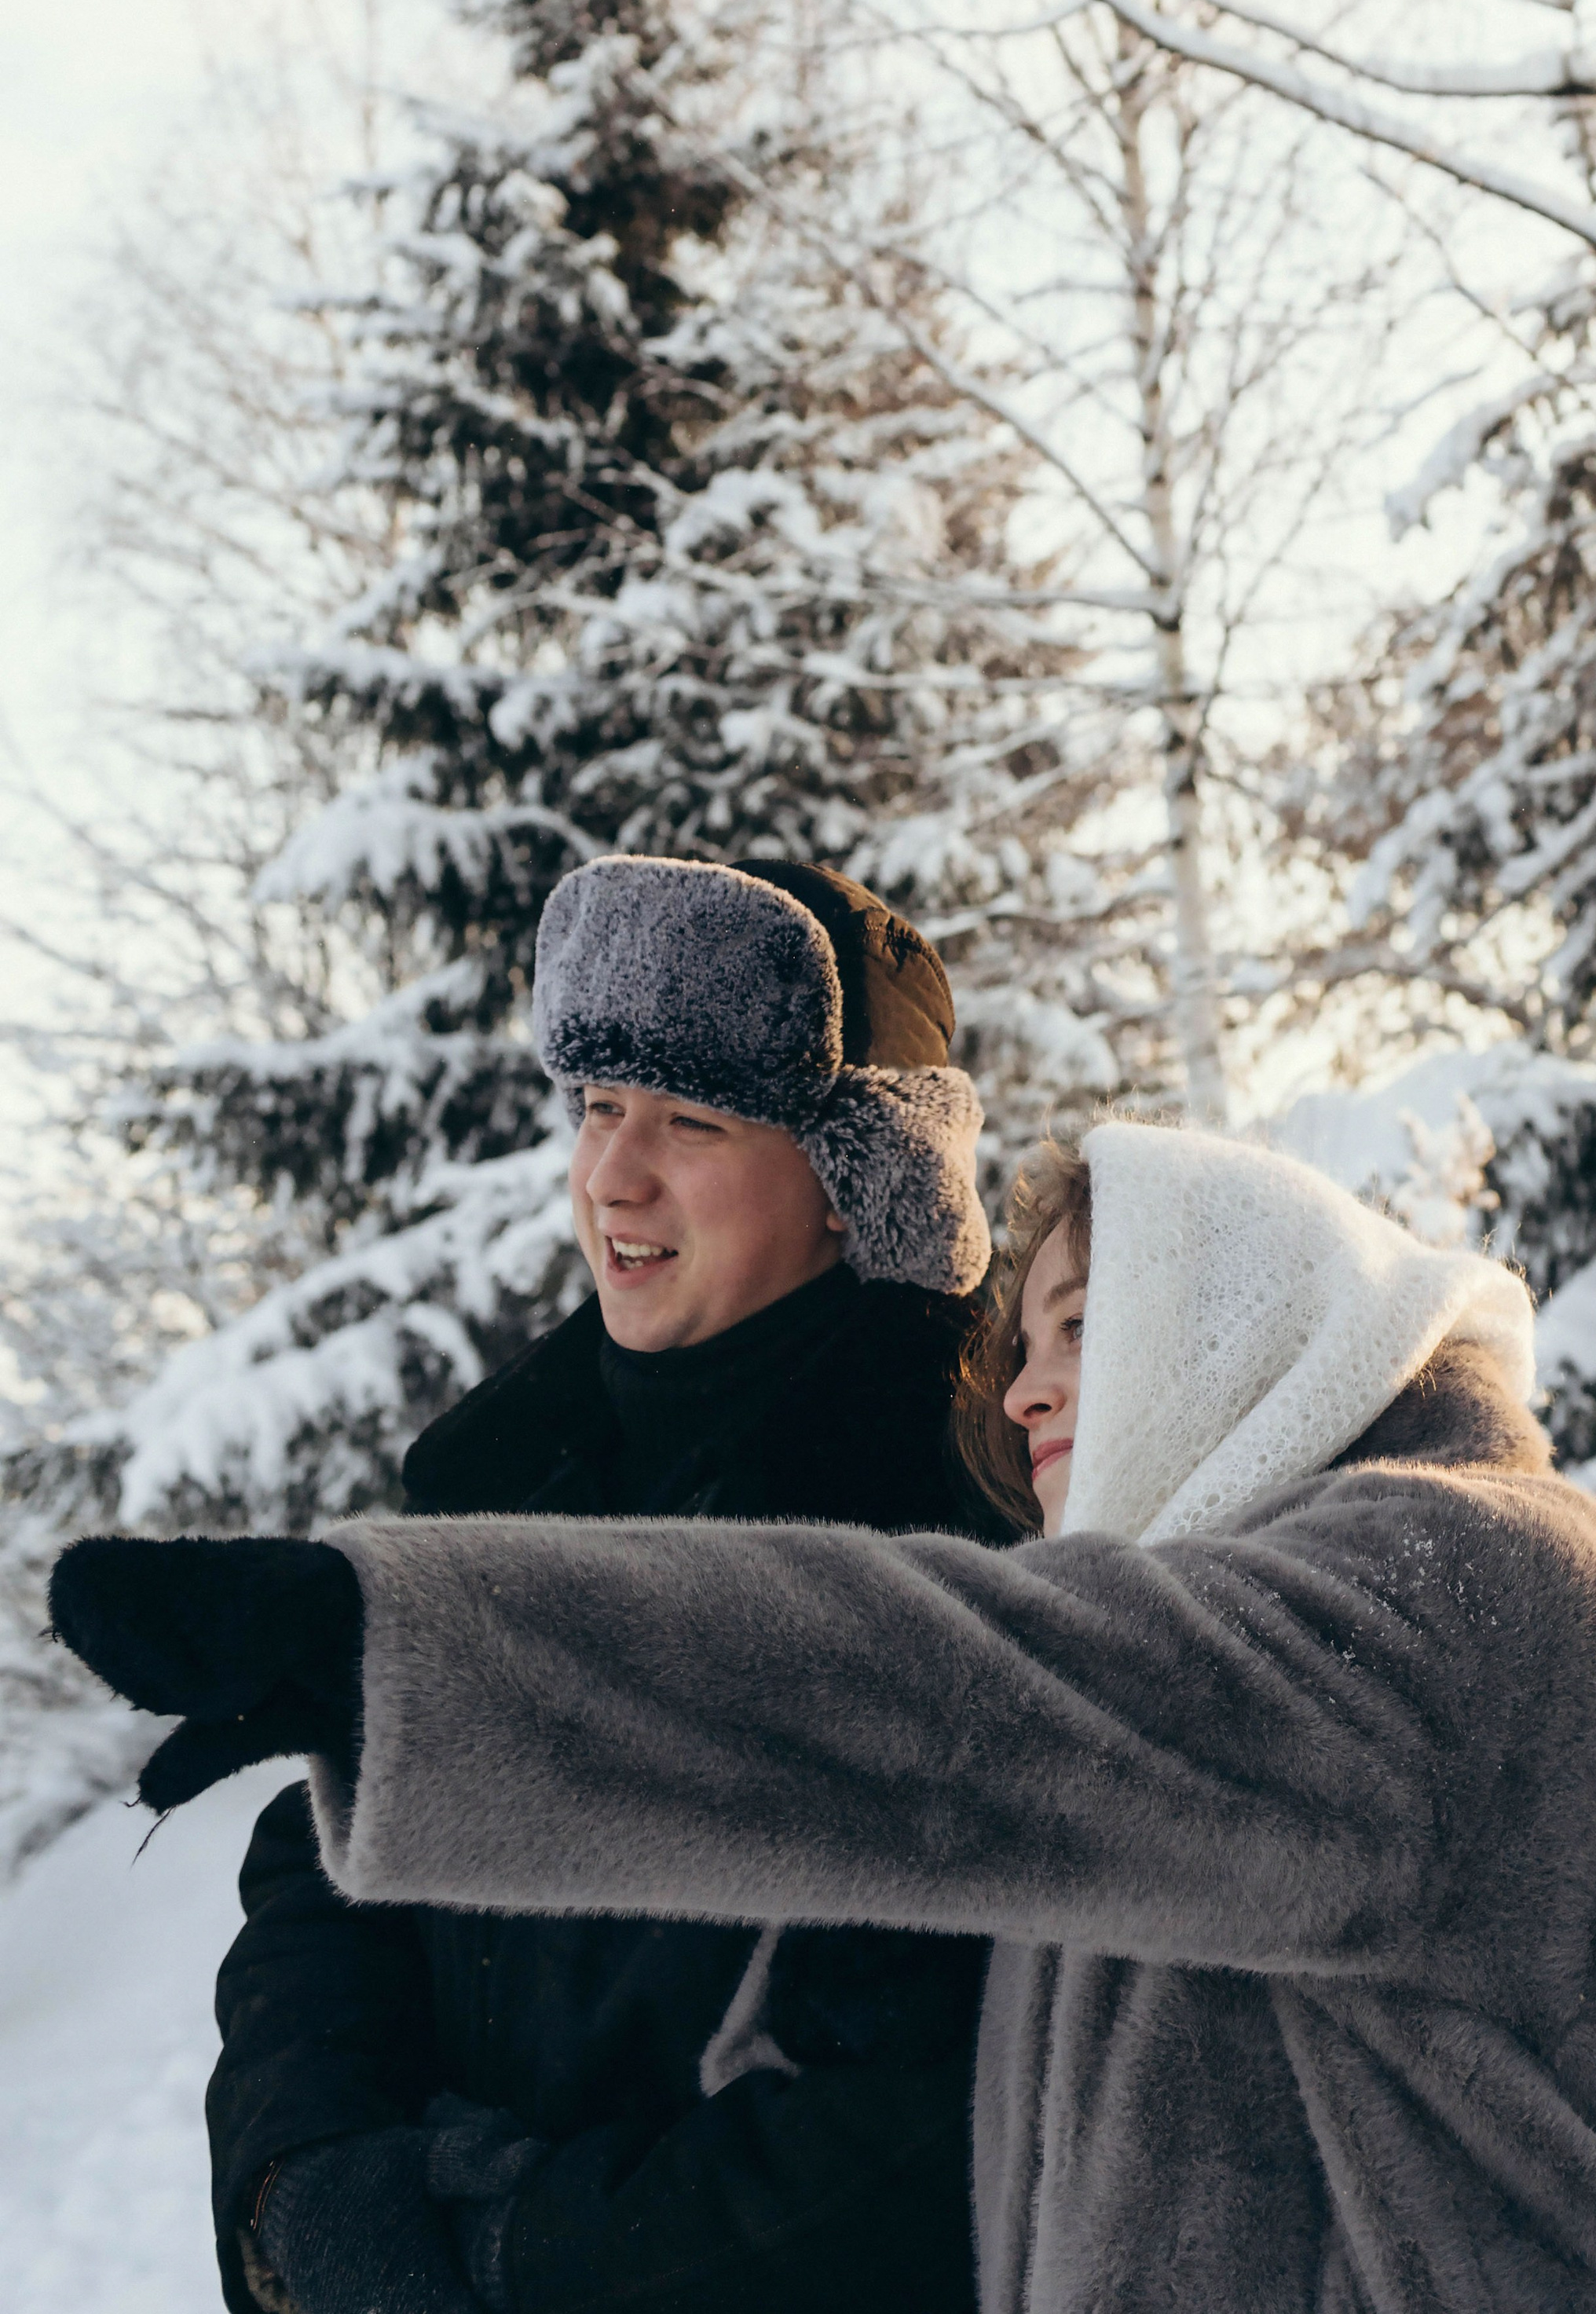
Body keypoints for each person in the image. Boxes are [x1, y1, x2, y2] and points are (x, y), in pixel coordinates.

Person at [55, 1118, 1596, 2314]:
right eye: (1020, 1340)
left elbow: (966, 1705)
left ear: (1253, 1335)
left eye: (1088, 1328)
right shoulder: (1220, 1737)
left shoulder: (1468, 1580)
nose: (1023, 1387)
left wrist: (405, 1645)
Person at [185, 854, 1003, 2314]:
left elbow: (918, 2109)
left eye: (690, 1120)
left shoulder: (947, 1547)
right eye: (597, 1105)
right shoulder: (498, 1485)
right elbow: (319, 1865)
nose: (612, 1174)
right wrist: (298, 2176)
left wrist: (515, 2256)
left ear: (858, 1184)